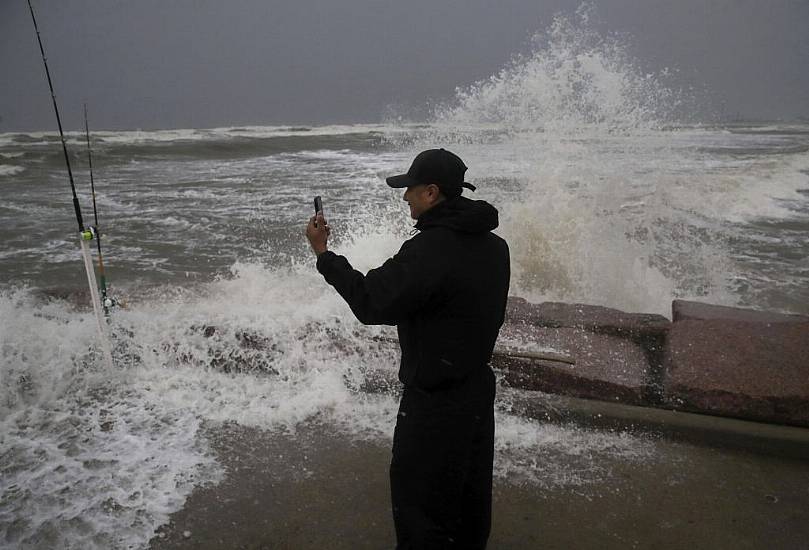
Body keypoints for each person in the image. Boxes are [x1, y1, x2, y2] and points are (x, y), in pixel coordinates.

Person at [306, 148, 510, 549]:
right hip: (476, 391)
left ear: (431, 192)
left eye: (410, 190)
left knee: (420, 510)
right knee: (469, 504)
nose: (405, 198)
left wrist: (323, 254)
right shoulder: (495, 246)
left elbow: (370, 301)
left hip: (434, 402)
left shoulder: (429, 250)